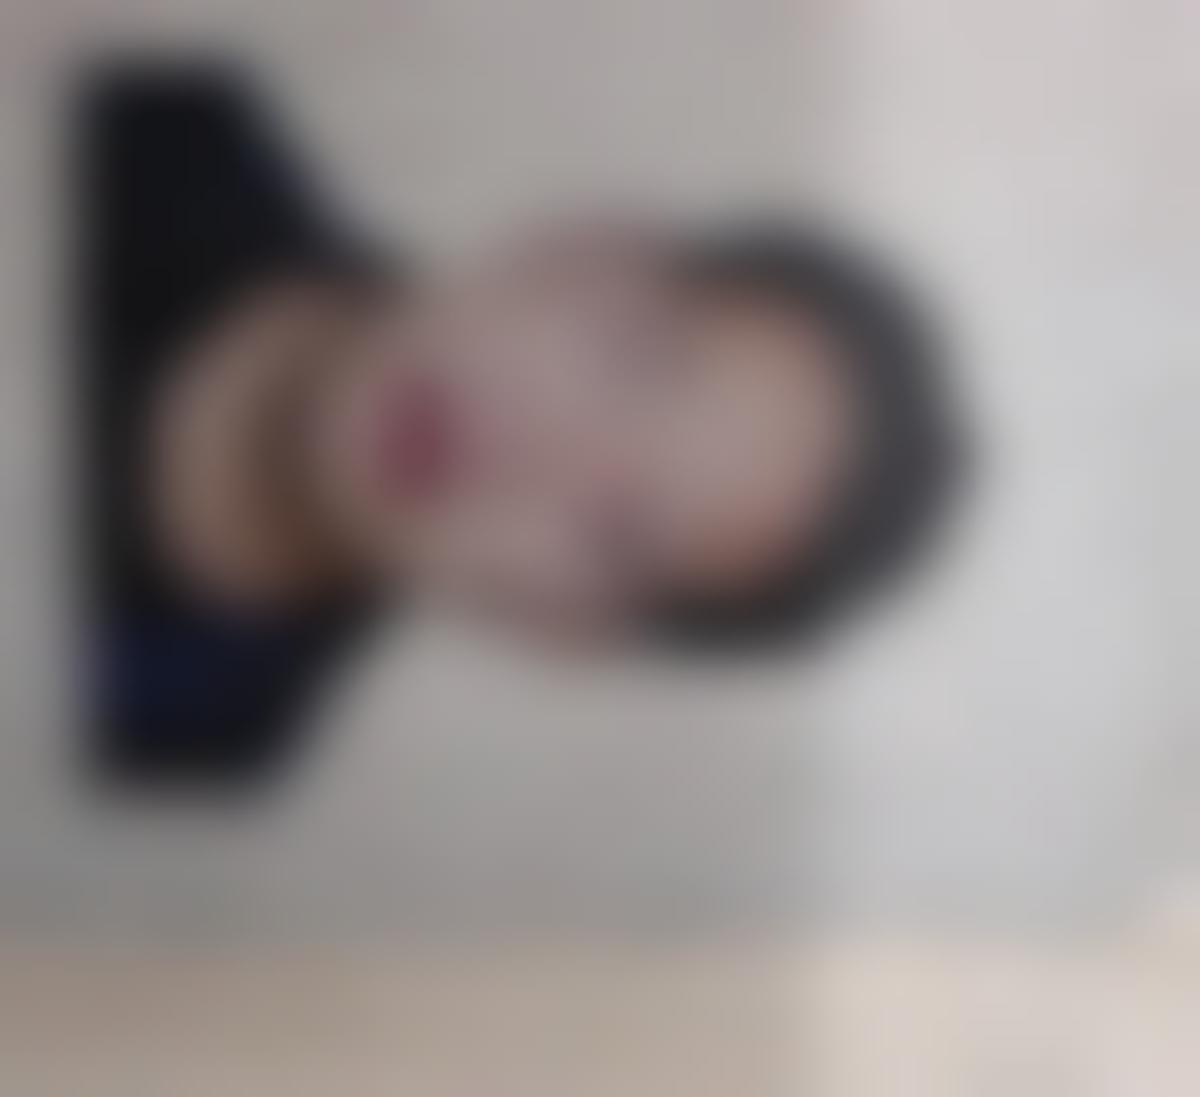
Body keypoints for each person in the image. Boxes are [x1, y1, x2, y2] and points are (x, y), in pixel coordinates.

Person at [80, 60, 958, 783]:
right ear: (582, 245)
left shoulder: (185, 754)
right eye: (629, 359)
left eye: (619, 531)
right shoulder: (133, 110)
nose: (538, 452)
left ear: (563, 631)